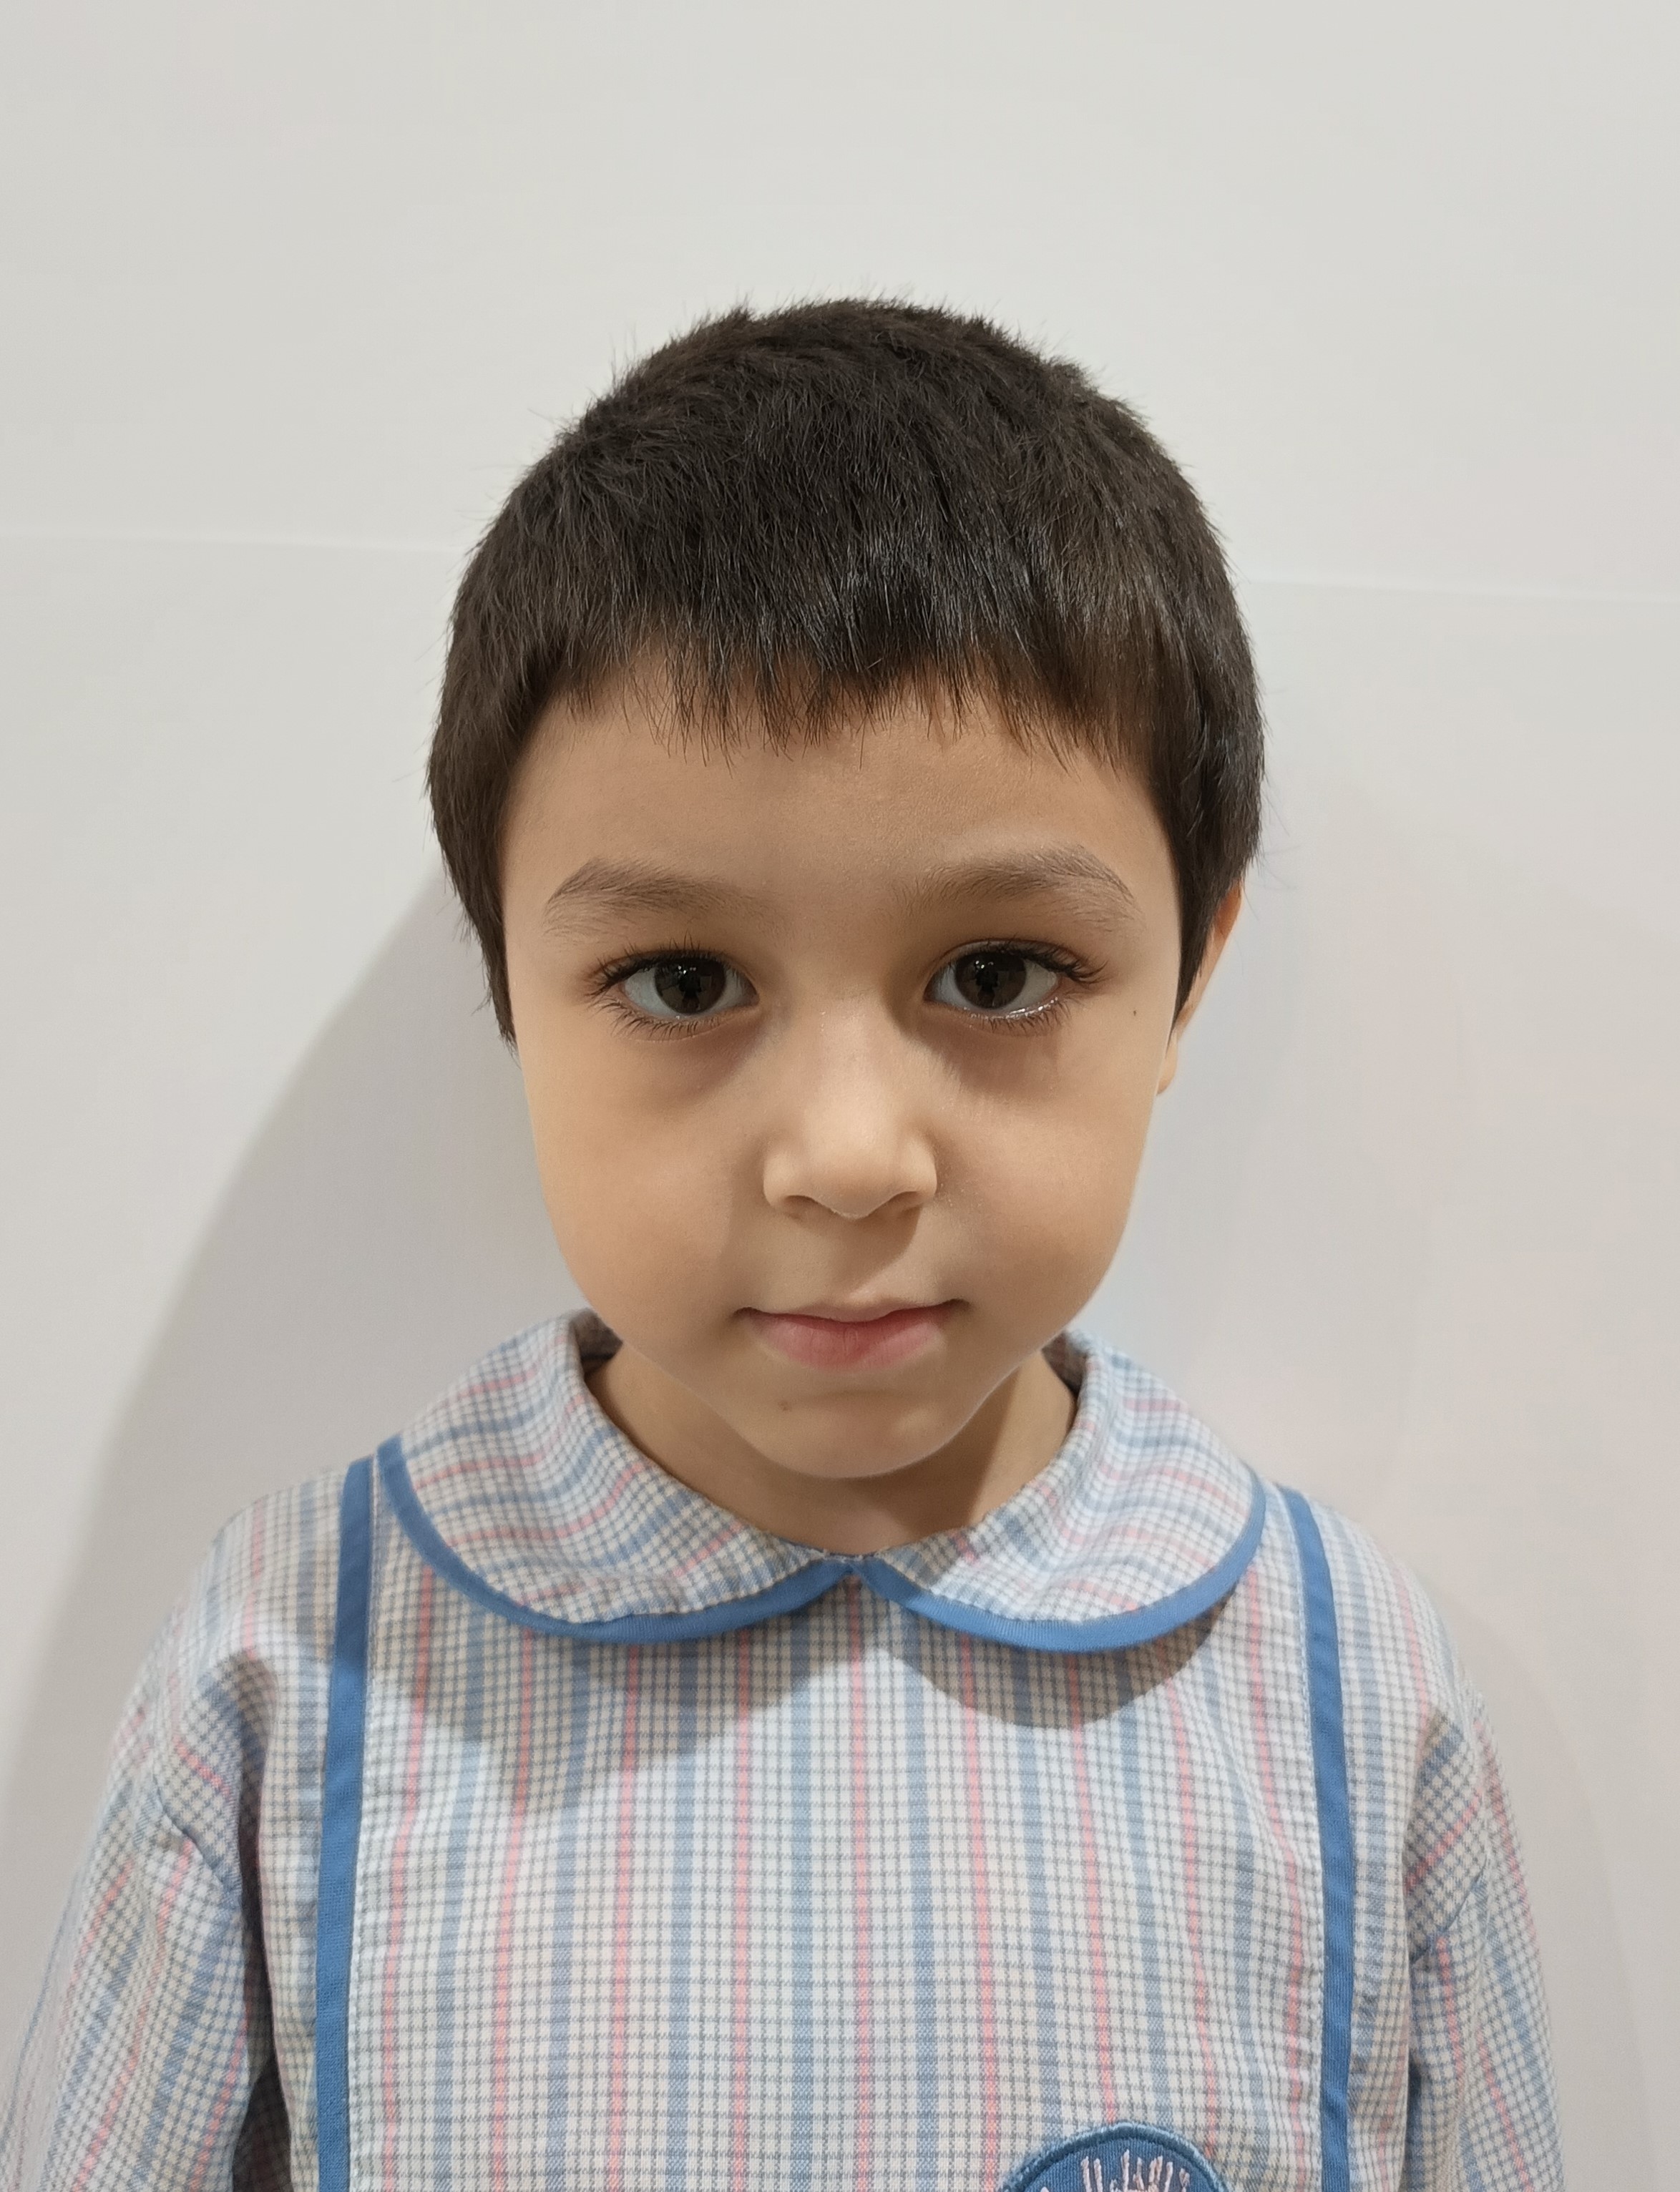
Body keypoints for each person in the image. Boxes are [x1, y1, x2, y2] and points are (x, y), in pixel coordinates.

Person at [0, 301, 1561, 2191]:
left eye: (998, 974)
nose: (844, 1160)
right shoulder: (286, 1665)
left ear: (1186, 976)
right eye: (683, 982)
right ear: (507, 986)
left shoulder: (1346, 1693)